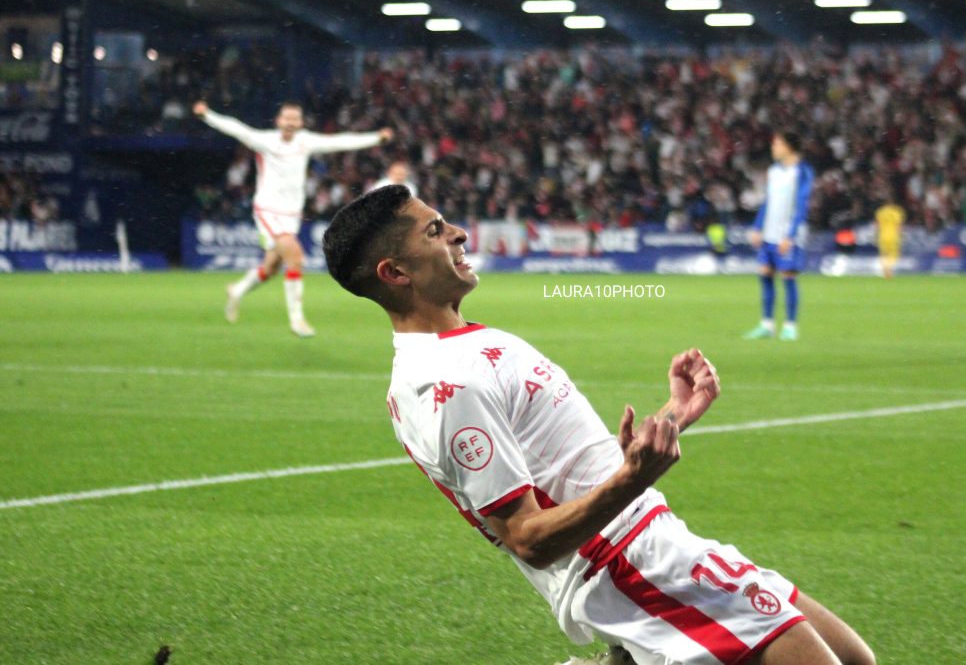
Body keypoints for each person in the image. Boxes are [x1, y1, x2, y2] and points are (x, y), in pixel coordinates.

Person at [322, 185, 875, 665]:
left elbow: (563, 471)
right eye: (436, 231)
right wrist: (632, 480)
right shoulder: (444, 382)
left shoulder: (465, 345)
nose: (461, 234)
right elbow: (527, 538)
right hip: (629, 566)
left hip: (653, 540)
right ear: (395, 273)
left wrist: (671, 418)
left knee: (854, 657)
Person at [193, 100, 394, 337]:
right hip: (267, 210)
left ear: (300, 123)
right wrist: (207, 115)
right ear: (279, 121)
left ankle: (236, 290)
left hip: (291, 215)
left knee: (271, 267)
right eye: (286, 118)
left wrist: (375, 139)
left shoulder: (305, 141)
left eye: (295, 119)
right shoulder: (265, 141)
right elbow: (237, 129)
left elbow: (339, 141)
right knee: (295, 257)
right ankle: (297, 320)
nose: (290, 123)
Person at [743, 132, 813, 342]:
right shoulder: (773, 171)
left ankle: (791, 326)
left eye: (777, 144)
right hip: (769, 233)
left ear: (789, 147)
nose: (773, 148)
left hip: (788, 235)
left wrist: (790, 235)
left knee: (788, 276)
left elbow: (801, 205)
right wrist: (757, 227)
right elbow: (768, 202)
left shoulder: (801, 171)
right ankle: (767, 324)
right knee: (765, 274)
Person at [874, 199, 906, 278]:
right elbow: (899, 226)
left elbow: (877, 227)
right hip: (893, 236)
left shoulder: (880, 212)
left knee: (884, 254)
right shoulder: (897, 212)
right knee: (894, 254)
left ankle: (885, 271)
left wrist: (876, 236)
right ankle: (889, 271)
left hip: (882, 236)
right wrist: (902, 236)